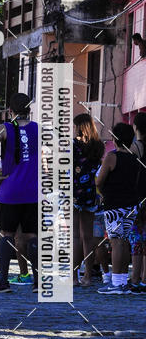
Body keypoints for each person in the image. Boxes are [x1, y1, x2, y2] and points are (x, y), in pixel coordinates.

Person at [0, 93, 38, 293]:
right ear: (29, 110)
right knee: (32, 236)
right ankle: (38, 283)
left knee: (7, 234)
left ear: (10, 111)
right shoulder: (38, 129)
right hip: (33, 191)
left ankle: (3, 281)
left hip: (10, 190)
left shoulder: (4, 128)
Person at [96, 122, 140, 295]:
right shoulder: (134, 158)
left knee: (115, 242)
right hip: (131, 204)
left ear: (115, 139)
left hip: (114, 205)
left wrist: (101, 192)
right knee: (124, 242)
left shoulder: (111, 157)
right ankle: (122, 281)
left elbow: (99, 181)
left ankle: (115, 283)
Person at [72, 113, 105, 287]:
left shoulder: (72, 144)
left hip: (74, 192)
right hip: (91, 193)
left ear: (79, 127)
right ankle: (88, 277)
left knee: (76, 236)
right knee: (88, 237)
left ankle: (74, 277)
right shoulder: (98, 145)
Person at [129, 112, 146, 292]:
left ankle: (134, 278)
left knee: (137, 239)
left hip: (138, 197)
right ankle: (144, 279)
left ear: (135, 127)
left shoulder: (135, 147)